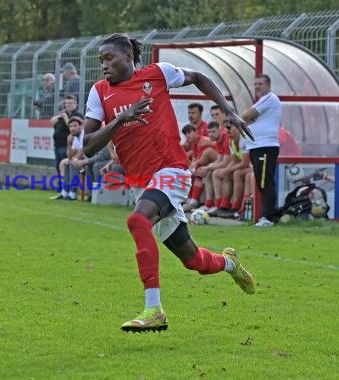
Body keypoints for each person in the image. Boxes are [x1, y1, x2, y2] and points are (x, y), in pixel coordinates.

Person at [82, 33, 256, 333]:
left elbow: (199, 77)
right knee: (194, 260)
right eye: (101, 60)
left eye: (109, 58)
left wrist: (228, 111)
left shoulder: (157, 74)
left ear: (128, 56)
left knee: (138, 221)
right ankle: (230, 263)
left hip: (171, 170)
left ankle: (154, 310)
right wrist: (120, 121)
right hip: (142, 182)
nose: (104, 65)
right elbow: (87, 145)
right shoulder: (99, 92)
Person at [241, 74, 281, 227]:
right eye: (255, 84)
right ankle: (266, 217)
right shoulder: (262, 101)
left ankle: (267, 218)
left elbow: (245, 115)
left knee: (265, 182)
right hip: (257, 146)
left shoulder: (269, 98)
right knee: (261, 181)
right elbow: (248, 117)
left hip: (265, 146)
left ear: (268, 85)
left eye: (260, 84)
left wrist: (250, 118)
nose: (257, 86)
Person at [50, 95, 81, 193]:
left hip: (67, 146)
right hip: (57, 145)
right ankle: (61, 189)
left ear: (76, 104)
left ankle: (68, 190)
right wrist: (61, 116)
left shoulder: (77, 116)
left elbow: (73, 128)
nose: (68, 105)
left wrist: (66, 118)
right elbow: (52, 121)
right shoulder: (63, 115)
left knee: (66, 168)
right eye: (66, 103)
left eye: (70, 103)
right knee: (58, 168)